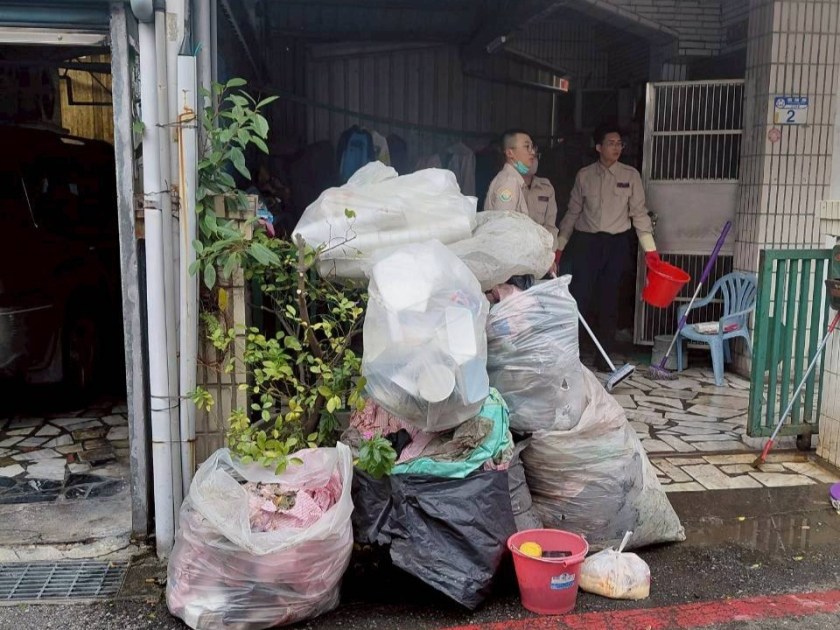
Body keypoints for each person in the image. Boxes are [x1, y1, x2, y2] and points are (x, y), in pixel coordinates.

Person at [557, 123, 660, 369]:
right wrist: (559, 246)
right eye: (611, 143)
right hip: (587, 244)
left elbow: (639, 214)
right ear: (598, 147)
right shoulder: (584, 175)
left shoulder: (631, 176)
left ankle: (603, 356)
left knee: (609, 300)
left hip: (616, 245)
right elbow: (572, 213)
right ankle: (574, 355)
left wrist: (651, 251)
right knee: (580, 297)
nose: (616, 148)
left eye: (619, 144)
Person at [485, 129, 559, 272]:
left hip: (517, 262)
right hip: (510, 264)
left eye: (532, 147)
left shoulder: (514, 181)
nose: (532, 152)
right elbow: (505, 231)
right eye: (526, 147)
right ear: (510, 153)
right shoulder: (508, 183)